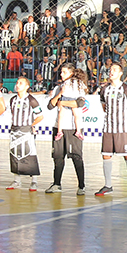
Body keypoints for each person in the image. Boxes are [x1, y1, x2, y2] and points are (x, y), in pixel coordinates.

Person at [96, 63, 127, 199]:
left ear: (121, 73)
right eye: (110, 69)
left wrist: (124, 122)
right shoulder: (104, 90)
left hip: (122, 130)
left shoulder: (126, 90)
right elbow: (104, 107)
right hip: (108, 129)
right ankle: (108, 185)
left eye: (114, 69)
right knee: (106, 155)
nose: (111, 71)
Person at [45, 66, 88, 196]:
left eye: (64, 72)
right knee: (58, 157)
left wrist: (63, 103)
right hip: (59, 126)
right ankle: (56, 184)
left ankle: (81, 185)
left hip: (72, 128)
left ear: (72, 72)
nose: (61, 74)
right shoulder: (60, 87)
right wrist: (59, 95)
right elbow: (50, 105)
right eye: (61, 71)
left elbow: (79, 103)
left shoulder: (78, 86)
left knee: (76, 157)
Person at [6, 77, 43, 191]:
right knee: (15, 154)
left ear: (27, 86)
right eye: (17, 83)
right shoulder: (13, 100)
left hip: (26, 131)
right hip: (15, 130)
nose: (18, 85)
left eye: (21, 83)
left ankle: (34, 181)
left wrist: (31, 125)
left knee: (30, 154)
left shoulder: (31, 100)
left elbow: (40, 116)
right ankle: (17, 180)